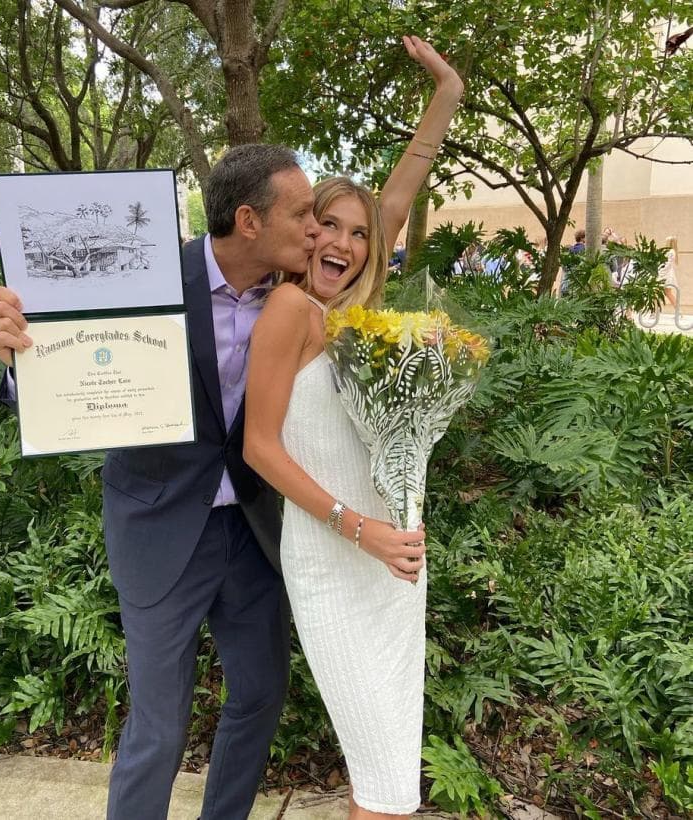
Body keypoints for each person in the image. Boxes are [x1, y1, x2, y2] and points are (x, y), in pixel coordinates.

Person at [0, 144, 319, 819]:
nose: (316, 229)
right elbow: (71, 370)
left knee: (259, 696)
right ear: (249, 221)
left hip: (251, 530)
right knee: (159, 724)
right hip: (160, 527)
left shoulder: (301, 294)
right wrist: (21, 357)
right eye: (304, 214)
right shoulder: (140, 273)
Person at [244, 36, 462, 819]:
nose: (342, 241)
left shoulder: (358, 319)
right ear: (304, 236)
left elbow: (405, 182)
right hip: (337, 561)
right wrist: (357, 527)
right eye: (326, 226)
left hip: (394, 566)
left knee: (390, 772)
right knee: (382, 779)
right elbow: (259, 446)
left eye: (358, 232)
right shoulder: (289, 311)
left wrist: (447, 88)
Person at [658, 236, 679, 309]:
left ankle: (654, 312)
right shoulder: (672, 252)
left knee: (665, 293)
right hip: (666, 274)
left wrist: (660, 272)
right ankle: (678, 311)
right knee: (667, 293)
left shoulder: (671, 252)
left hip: (665, 275)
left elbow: (667, 264)